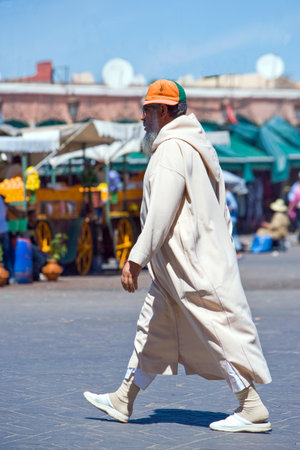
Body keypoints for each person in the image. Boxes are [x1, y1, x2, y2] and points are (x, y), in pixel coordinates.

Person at [84, 79, 272, 433]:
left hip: (189, 264)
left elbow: (161, 211)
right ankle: (124, 398)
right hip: (179, 263)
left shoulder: (172, 149)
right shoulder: (194, 144)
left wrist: (135, 258)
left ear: (166, 112)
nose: (142, 117)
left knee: (214, 327)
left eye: (148, 110)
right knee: (152, 329)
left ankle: (251, 407)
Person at [225, 187, 243, 259]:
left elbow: (234, 206)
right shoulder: (228, 194)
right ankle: (237, 251)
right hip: (231, 218)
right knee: (233, 235)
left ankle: (237, 251)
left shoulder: (228, 195)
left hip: (231, 218)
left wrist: (226, 208)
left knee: (231, 235)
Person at [0, 194, 14, 282]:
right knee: (6, 255)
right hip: (4, 229)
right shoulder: (1, 199)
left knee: (5, 254)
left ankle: (8, 276)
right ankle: (10, 276)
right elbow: (6, 214)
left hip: (3, 229)